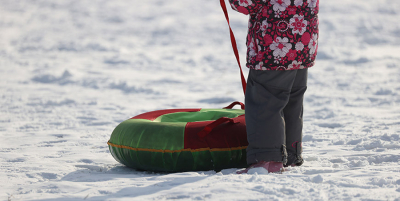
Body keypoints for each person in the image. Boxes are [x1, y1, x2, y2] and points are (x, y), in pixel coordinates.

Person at [228, 0, 319, 173]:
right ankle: (290, 154)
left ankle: (267, 159)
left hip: (275, 45)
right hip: (302, 40)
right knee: (292, 101)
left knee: (265, 100)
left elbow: (245, 4)